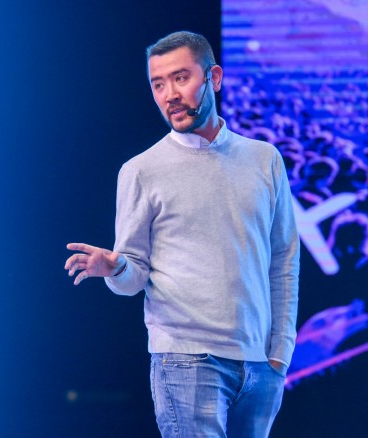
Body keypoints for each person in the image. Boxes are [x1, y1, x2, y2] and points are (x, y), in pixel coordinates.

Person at [64, 31, 300, 437]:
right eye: (158, 84)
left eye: (181, 78)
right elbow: (134, 274)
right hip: (186, 360)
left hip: (260, 364)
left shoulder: (264, 160)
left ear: (214, 78)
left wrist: (280, 351)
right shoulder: (142, 170)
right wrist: (116, 267)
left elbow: (283, 259)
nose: (169, 94)